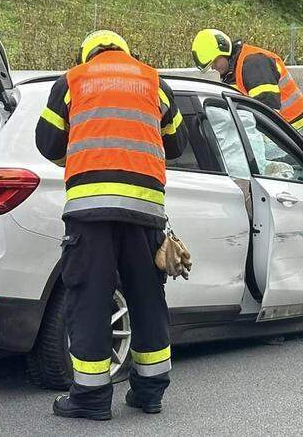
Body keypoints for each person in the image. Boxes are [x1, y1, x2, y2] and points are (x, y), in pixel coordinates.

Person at [35, 30, 187, 420]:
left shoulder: (72, 80)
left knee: (90, 300)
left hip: (91, 213)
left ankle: (90, 397)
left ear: (87, 53)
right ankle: (150, 392)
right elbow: (177, 144)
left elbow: (47, 143)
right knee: (147, 299)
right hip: (145, 211)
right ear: (125, 52)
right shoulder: (154, 81)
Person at [190, 29, 303, 141]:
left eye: (215, 61)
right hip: (283, 131)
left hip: (293, 132)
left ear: (225, 51)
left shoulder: (254, 63)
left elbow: (267, 107)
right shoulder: (232, 69)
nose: (214, 67)